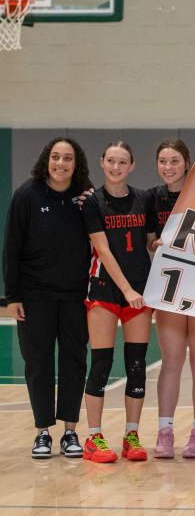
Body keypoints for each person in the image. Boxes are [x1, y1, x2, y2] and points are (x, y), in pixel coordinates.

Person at [3, 138, 92, 459]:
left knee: (74, 361)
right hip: (34, 296)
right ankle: (42, 432)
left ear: (75, 163)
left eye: (68, 158)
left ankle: (70, 431)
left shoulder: (86, 197)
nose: (61, 163)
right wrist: (11, 296)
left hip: (75, 297)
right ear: (47, 160)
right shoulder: (27, 195)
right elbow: (11, 248)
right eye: (56, 157)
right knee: (38, 364)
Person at [82, 142, 157, 463]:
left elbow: (152, 242)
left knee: (136, 365)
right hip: (104, 290)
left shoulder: (144, 199)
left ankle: (131, 435)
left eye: (122, 161)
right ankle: (94, 437)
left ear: (132, 165)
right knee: (101, 363)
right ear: (101, 162)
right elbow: (103, 249)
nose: (116, 166)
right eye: (110, 160)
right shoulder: (92, 202)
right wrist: (126, 290)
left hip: (139, 290)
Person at [151, 140, 195, 459]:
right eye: (163, 161)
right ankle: (165, 431)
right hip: (171, 289)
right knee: (172, 361)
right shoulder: (151, 198)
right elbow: (150, 241)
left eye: (175, 161)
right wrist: (156, 245)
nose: (168, 167)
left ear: (187, 163)